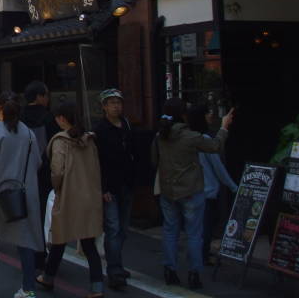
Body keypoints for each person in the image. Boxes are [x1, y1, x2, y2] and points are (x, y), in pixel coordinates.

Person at [152, 99, 234, 290]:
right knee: (194, 234)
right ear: (183, 115)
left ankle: (169, 270)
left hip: (167, 190)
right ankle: (194, 273)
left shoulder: (160, 136)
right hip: (190, 190)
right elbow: (215, 146)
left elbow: (153, 160)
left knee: (170, 231)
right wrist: (223, 127)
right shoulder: (190, 136)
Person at [0, 91, 43, 298]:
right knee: (25, 240)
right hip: (25, 193)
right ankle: (28, 288)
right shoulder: (28, 133)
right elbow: (38, 162)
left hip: (0, 194)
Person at [37, 100, 104, 298]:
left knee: (59, 238)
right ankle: (97, 286)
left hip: (68, 195)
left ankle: (48, 277)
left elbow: (57, 171)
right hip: (89, 195)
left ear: (62, 119)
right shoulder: (89, 140)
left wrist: (56, 188)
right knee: (89, 243)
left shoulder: (60, 141)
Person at [93, 88, 136, 290]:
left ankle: (117, 264)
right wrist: (102, 188)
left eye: (118, 102)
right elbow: (97, 162)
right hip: (109, 188)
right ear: (104, 107)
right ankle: (114, 271)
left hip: (127, 184)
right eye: (111, 103)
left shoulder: (126, 124)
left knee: (123, 230)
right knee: (113, 229)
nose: (116, 106)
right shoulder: (100, 129)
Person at [186, 103, 238, 267]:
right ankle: (201, 258)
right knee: (206, 228)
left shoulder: (186, 137)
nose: (210, 116)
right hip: (207, 191)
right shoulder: (205, 140)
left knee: (196, 228)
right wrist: (233, 187)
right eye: (208, 113)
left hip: (190, 190)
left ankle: (197, 255)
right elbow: (218, 168)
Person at [21, 80, 59, 270]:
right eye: (46, 95)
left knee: (25, 213)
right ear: (39, 97)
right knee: (44, 214)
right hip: (44, 172)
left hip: (21, 171)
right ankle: (42, 253)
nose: (48, 98)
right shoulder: (49, 118)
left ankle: (27, 253)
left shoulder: (18, 118)